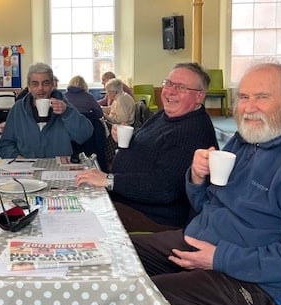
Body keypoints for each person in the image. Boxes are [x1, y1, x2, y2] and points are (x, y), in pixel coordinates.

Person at [130, 61, 281, 305]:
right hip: (198, 242)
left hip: (257, 281)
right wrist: (197, 178)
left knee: (137, 300)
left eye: (262, 97)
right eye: (244, 97)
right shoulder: (244, 141)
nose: (249, 107)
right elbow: (206, 205)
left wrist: (218, 258)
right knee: (117, 254)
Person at [76, 62, 218, 232]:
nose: (170, 91)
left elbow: (164, 189)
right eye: (169, 83)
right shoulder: (164, 115)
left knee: (80, 219)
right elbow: (148, 144)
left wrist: (109, 180)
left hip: (154, 218)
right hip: (127, 200)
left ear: (199, 96)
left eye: (180, 87)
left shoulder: (193, 129)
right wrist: (126, 138)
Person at [0, 62, 93, 159]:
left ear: (52, 85)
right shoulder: (18, 109)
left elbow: (84, 135)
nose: (40, 88)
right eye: (35, 84)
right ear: (29, 87)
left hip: (58, 169)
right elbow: (4, 145)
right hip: (27, 168)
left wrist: (68, 112)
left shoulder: (64, 106)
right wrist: (16, 157)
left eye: (45, 83)